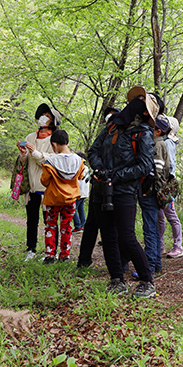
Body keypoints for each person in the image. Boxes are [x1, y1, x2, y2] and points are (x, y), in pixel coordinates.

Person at [88, 86, 159, 298]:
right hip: (101, 189)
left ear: (145, 112)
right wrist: (100, 170)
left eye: (140, 101)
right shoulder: (112, 126)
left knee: (126, 237)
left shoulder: (143, 134)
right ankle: (116, 280)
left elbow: (145, 166)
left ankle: (147, 281)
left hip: (125, 191)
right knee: (108, 236)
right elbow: (93, 150)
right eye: (135, 99)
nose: (134, 102)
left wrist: (115, 175)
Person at [76, 106, 119, 269]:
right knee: (92, 225)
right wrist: (99, 170)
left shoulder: (125, 136)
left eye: (114, 115)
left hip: (116, 187)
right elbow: (92, 152)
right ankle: (84, 260)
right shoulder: (103, 136)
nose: (111, 118)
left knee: (115, 227)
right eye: (109, 116)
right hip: (98, 186)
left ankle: (120, 264)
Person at [18, 103, 62, 261]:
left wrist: (35, 152)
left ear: (53, 121)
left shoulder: (55, 139)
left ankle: (52, 250)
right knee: (31, 220)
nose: (44, 118)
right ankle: (31, 249)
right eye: (43, 114)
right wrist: (23, 153)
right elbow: (24, 162)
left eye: (48, 116)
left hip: (47, 187)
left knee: (50, 220)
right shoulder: (30, 137)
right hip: (32, 187)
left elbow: (52, 160)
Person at [40, 130, 85, 263]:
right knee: (67, 226)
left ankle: (50, 255)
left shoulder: (50, 162)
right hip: (70, 199)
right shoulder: (79, 160)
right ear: (67, 142)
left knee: (51, 226)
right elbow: (80, 176)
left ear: (54, 144)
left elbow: (44, 181)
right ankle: (64, 255)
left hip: (53, 199)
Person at [138, 115, 171, 275]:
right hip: (154, 192)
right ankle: (156, 263)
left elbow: (157, 171)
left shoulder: (157, 145)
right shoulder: (162, 144)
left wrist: (153, 191)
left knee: (150, 229)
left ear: (158, 131)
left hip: (151, 192)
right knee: (153, 228)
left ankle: (149, 266)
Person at [159, 115, 183, 259]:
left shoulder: (168, 142)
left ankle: (178, 246)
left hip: (166, 183)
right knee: (159, 216)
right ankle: (160, 244)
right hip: (161, 182)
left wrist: (166, 181)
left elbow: (170, 164)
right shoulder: (163, 141)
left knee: (170, 214)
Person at [72, 152, 90, 232]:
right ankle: (82, 225)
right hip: (84, 192)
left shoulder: (78, 168)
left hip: (79, 192)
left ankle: (78, 225)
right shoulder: (87, 168)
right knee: (80, 208)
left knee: (73, 209)